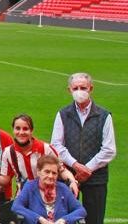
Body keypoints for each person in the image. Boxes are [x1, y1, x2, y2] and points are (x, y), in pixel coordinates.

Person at [50, 72, 115, 224]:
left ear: (91, 88)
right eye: (75, 88)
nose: (79, 91)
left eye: (83, 88)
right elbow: (56, 145)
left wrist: (88, 169)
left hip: (96, 178)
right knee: (64, 219)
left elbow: (109, 149)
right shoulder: (63, 114)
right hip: (68, 176)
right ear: (69, 90)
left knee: (95, 219)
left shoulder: (104, 116)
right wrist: (75, 165)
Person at [0, 115, 78, 196]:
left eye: (25, 129)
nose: (21, 132)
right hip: (24, 198)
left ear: (31, 131)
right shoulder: (8, 152)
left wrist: (72, 181)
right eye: (17, 128)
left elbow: (62, 170)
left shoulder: (46, 149)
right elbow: (5, 179)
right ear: (13, 130)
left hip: (47, 198)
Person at [11, 155, 86, 224]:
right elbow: (16, 206)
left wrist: (64, 220)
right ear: (38, 172)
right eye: (47, 172)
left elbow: (81, 210)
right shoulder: (30, 187)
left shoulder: (63, 188)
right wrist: (39, 219)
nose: (50, 176)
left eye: (54, 173)